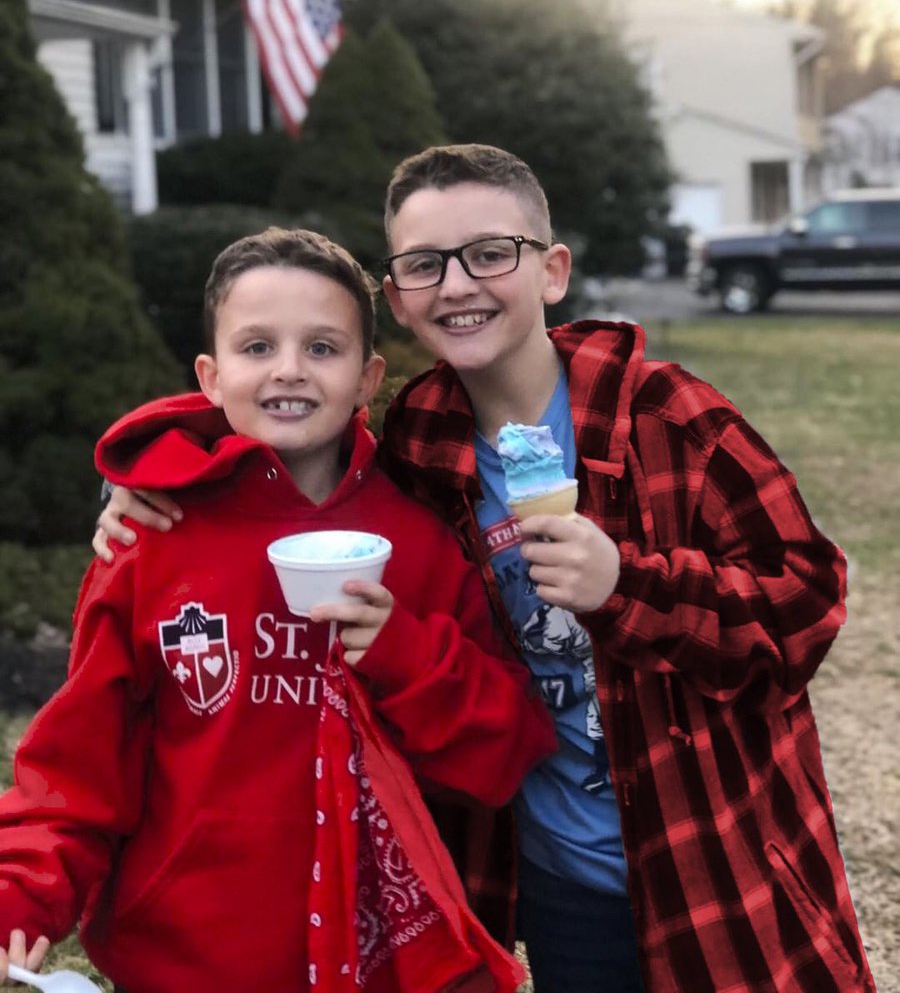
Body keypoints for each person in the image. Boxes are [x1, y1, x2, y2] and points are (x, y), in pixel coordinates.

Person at [92, 146, 876, 993]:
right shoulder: (421, 438)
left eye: (491, 253)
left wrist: (629, 584)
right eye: (426, 265)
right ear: (397, 297)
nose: (459, 285)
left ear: (552, 271)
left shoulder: (671, 418)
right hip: (558, 871)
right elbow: (298, 433)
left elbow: (809, 600)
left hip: (716, 853)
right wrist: (153, 476)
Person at [0, 226, 557, 993]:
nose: (289, 370)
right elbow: (77, 766)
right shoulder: (151, 539)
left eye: (323, 348)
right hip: (185, 961)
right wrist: (18, 899)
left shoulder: (420, 545)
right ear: (211, 374)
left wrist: (402, 650)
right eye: (257, 347)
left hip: (385, 966)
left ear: (368, 379)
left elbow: (505, 751)